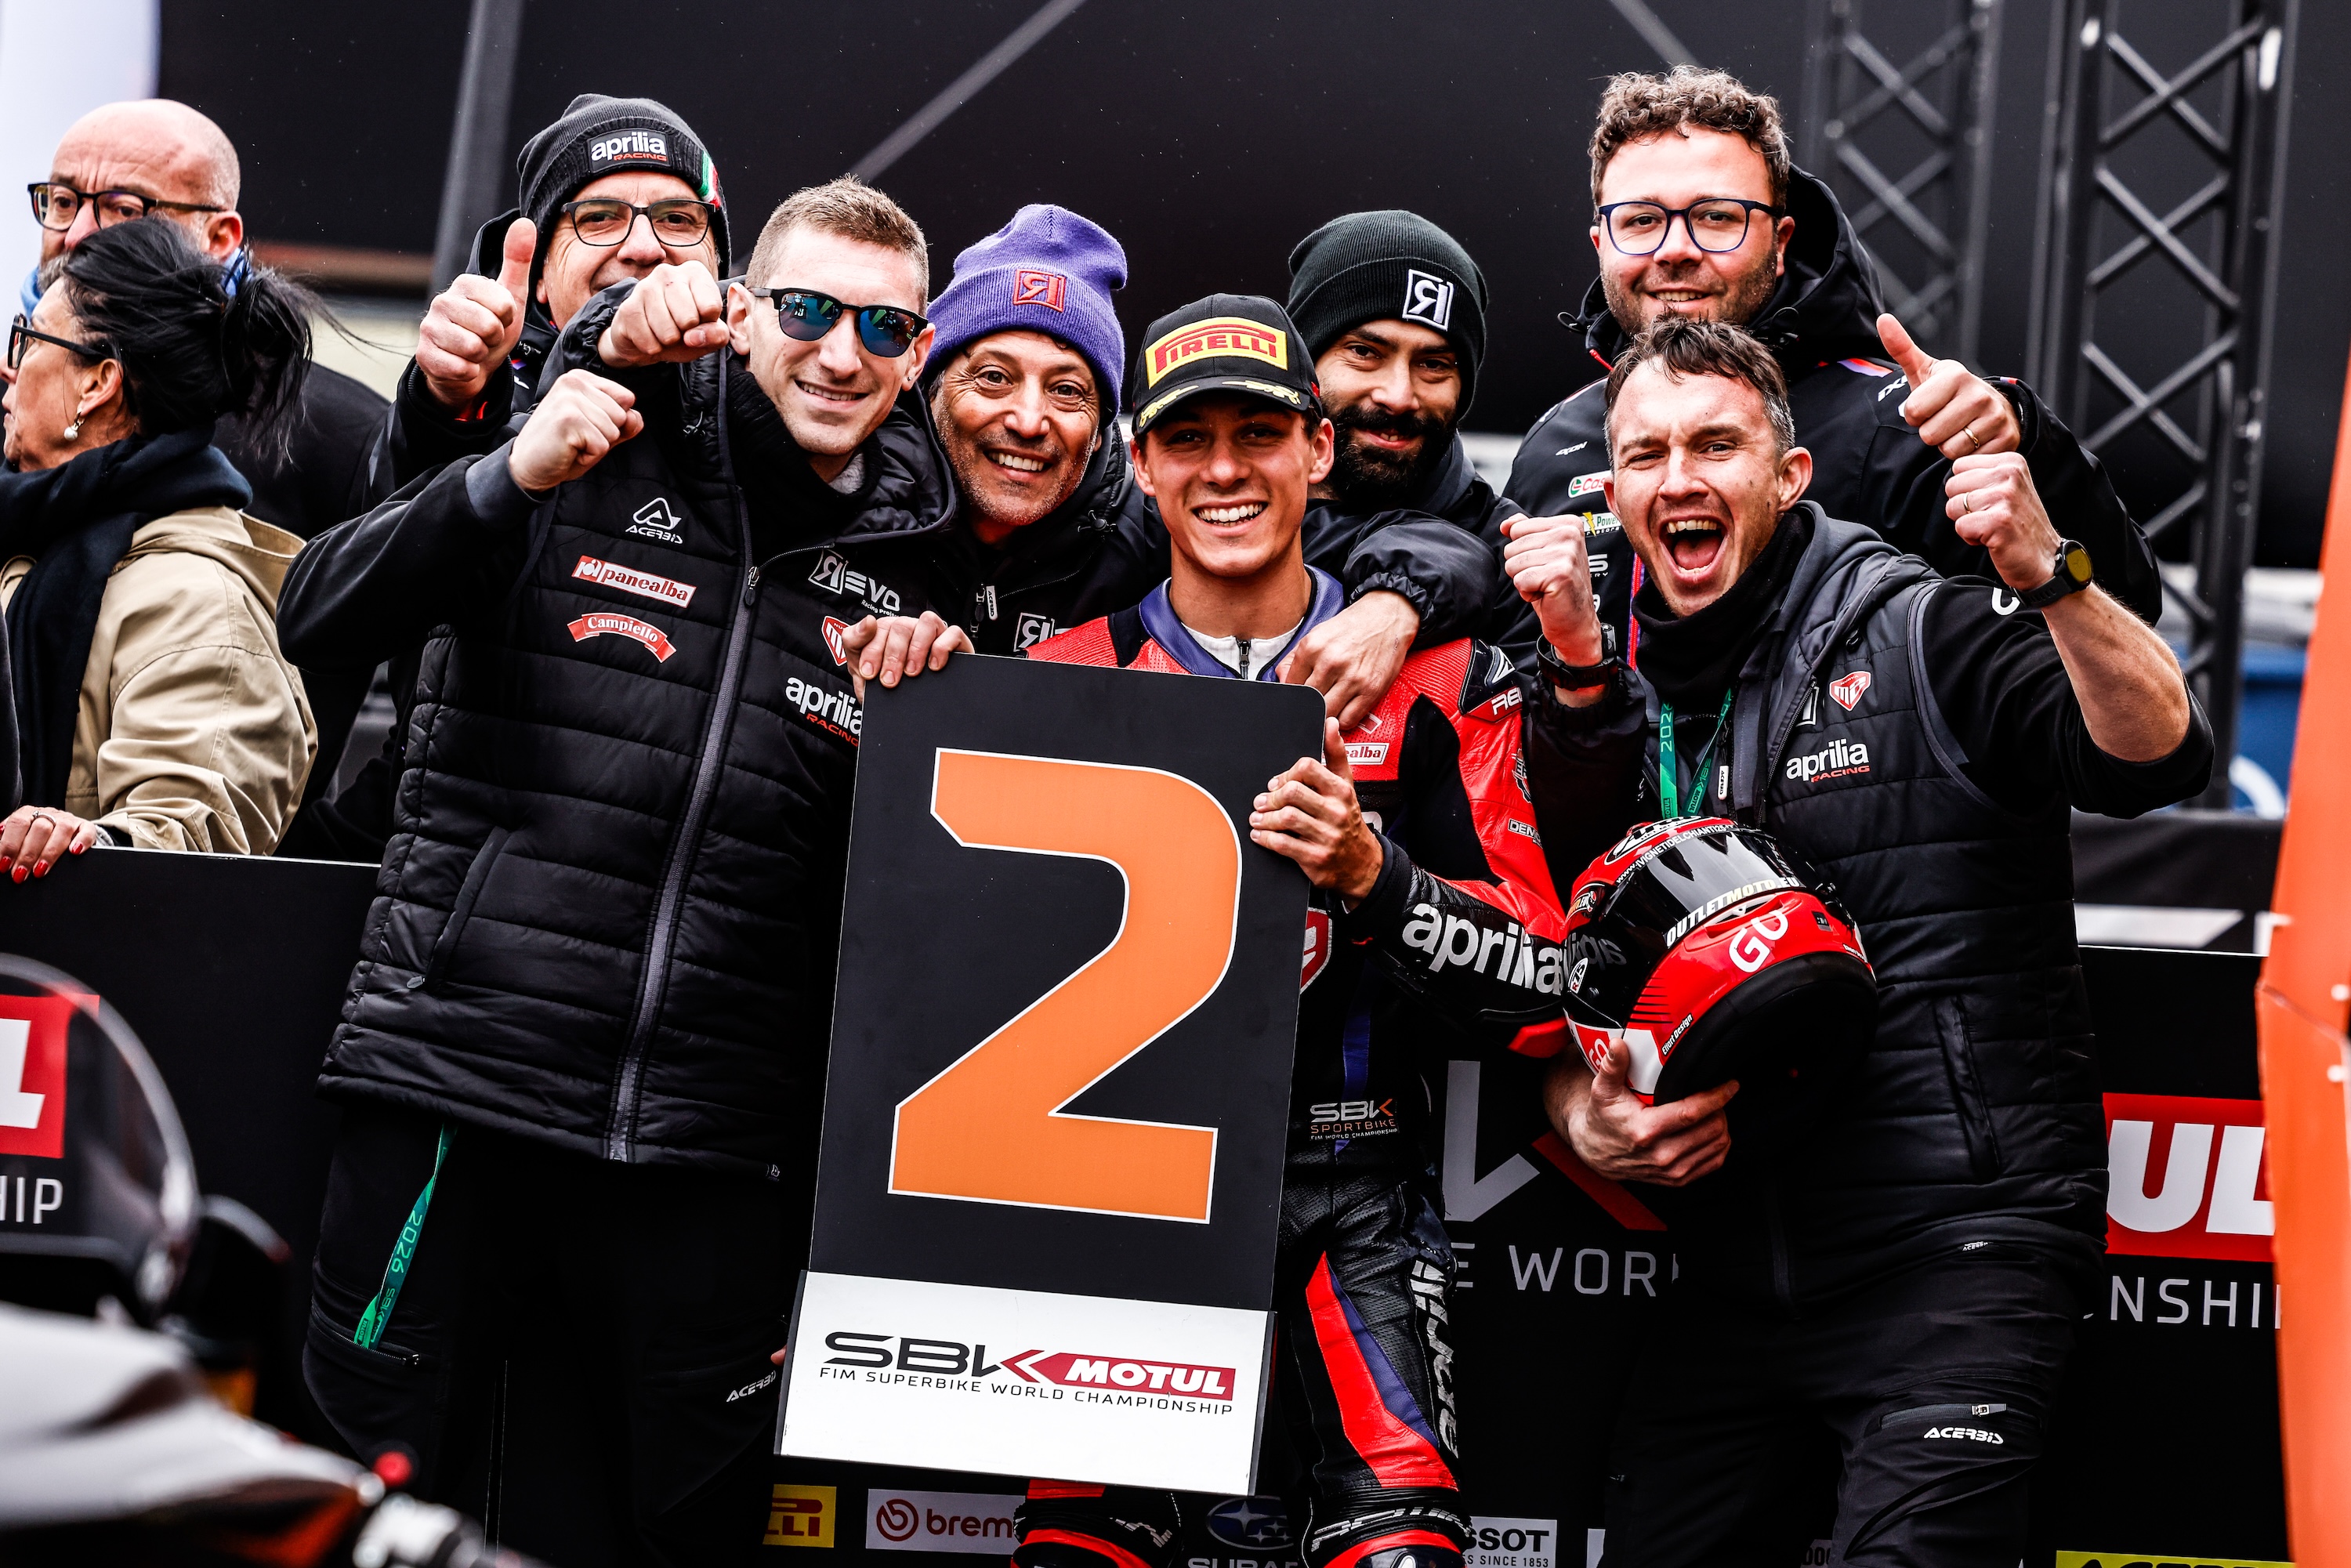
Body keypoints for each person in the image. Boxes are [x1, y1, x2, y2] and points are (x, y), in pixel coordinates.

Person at [857, 294, 1610, 1568]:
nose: (1224, 470)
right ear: (1140, 462)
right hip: (1117, 1195)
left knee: (1405, 1547)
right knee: (1078, 1553)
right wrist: (910, 681)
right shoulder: (1052, 683)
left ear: (1318, 448)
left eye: (1257, 434)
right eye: (1187, 437)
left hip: (1354, 1185)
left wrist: (1374, 876)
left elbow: (1546, 986)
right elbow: (924, 1002)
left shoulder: (1444, 680)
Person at [283, 178, 947, 1565]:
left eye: (883, 329)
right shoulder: (592, 431)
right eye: (809, 312)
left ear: (920, 351)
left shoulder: (919, 570)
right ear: (742, 312)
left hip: (706, 1148)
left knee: (687, 1530)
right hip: (458, 1085)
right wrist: (506, 472)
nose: (842, 354)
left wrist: (937, 705)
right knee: (359, 1508)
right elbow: (319, 611)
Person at [1521, 316, 2210, 1565]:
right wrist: (1582, 1114)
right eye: (1647, 454)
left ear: (1790, 477)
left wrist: (2053, 573)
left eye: (1716, 446)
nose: (1678, 478)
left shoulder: (1922, 626)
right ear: (1611, 495)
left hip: (1955, 1258)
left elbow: (2159, 755)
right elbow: (1545, 974)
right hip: (1732, 1277)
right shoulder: (1602, 695)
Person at [1506, 66, 2161, 650]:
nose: (1675, 249)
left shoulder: (1912, 426)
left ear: (1781, 241)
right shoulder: (1555, 447)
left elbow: (2126, 617)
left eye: (1715, 217)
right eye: (1641, 220)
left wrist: (2028, 438)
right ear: (1601, 241)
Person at [281, 94, 733, 863]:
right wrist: (447, 411)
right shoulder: (484, 407)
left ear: (721, 265)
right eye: (599, 218)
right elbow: (331, 613)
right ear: (541, 277)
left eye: (679, 219)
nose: (644, 246)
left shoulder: (771, 427)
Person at [846, 204, 1499, 728]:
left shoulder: (1160, 528)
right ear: (927, 375)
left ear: (1107, 430)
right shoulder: (843, 493)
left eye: (1068, 389)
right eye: (993, 377)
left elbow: (1451, 542)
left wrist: (1392, 603)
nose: (1027, 418)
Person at [22, 99, 388, 817]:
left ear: (221, 236)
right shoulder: (16, 404)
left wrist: (320, 852)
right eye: (62, 201)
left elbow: (435, 704)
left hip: (194, 863)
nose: (79, 232)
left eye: (124, 208)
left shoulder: (341, 437)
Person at [0, 219, 316, 865]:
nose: (9, 367)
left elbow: (185, 846)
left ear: (97, 384)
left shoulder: (200, 601)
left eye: (29, 338)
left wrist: (91, 843)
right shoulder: (32, 535)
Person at [1284, 209, 1538, 662]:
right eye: (1365, 352)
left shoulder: (1511, 553)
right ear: (1304, 365)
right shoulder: (1210, 507)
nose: (1399, 396)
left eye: (1433, 364)